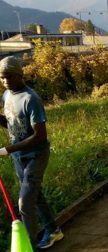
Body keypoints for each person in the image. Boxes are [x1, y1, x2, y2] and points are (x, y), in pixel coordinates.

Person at [0, 56, 64, 249]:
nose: (5, 81)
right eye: (2, 78)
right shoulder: (6, 96)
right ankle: (53, 230)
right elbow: (12, 124)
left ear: (20, 74)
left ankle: (29, 245)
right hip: (19, 158)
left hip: (36, 155)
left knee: (24, 202)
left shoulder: (31, 99)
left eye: (9, 77)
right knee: (35, 196)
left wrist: (7, 150)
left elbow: (40, 136)